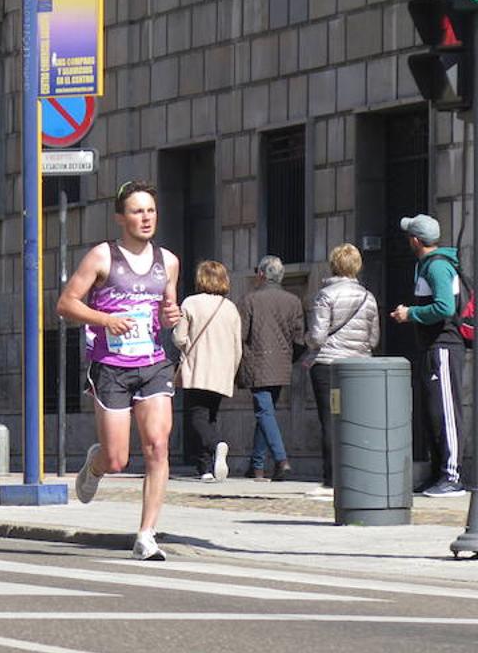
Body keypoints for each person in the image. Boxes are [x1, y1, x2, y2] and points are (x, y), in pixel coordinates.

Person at [57, 180, 181, 560]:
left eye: (150, 210)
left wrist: (171, 315)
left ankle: (146, 535)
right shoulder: (102, 257)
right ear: (120, 217)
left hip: (153, 363)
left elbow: (167, 309)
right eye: (137, 211)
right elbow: (65, 304)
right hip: (110, 366)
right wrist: (104, 319)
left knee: (158, 447)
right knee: (117, 459)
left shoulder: (169, 261)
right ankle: (95, 466)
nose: (145, 218)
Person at [390, 215, 467, 497]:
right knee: (434, 412)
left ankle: (452, 475)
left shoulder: (437, 268)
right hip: (432, 347)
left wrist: (410, 313)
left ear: (415, 240)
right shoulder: (428, 266)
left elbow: (445, 307)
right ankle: (439, 473)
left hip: (444, 346)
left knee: (446, 411)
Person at [305, 244, 380, 492]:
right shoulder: (368, 297)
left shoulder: (325, 295)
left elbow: (317, 337)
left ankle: (331, 477)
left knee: (330, 421)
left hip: (328, 364)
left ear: (333, 264)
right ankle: (355, 473)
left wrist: (305, 339)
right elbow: (373, 339)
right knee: (354, 421)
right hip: (359, 366)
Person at [172, 260, 243, 482]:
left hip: (197, 368)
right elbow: (237, 346)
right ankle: (205, 467)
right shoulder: (230, 308)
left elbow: (179, 338)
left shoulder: (190, 303)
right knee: (211, 415)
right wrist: (232, 370)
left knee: (197, 417)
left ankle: (216, 446)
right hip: (222, 371)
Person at [239, 255, 305, 481]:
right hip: (282, 364)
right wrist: (290, 358)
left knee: (264, 412)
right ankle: (256, 466)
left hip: (257, 363)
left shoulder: (250, 300)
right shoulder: (293, 301)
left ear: (261, 274)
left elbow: (241, 335)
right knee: (265, 413)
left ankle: (281, 459)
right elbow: (299, 339)